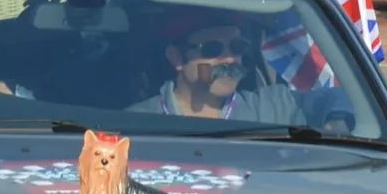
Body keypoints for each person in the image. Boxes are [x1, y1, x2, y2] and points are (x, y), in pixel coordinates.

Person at [131, 14, 353, 132]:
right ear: (177, 58)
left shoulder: (270, 108)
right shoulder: (136, 123)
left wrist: (338, 122)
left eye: (236, 47)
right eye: (213, 49)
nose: (229, 59)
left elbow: (347, 97)